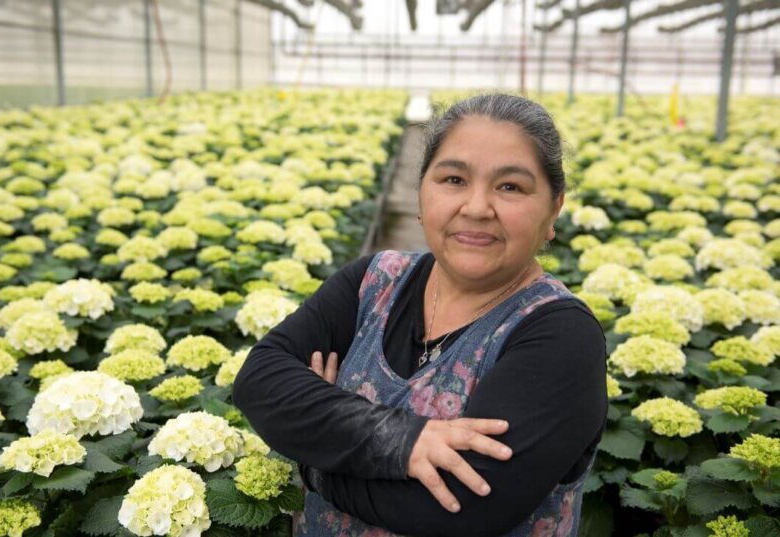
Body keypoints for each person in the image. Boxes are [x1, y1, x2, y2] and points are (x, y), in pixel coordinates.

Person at [233, 93, 607, 537]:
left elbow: (460, 507)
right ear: (422, 192)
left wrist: (315, 456)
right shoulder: (373, 280)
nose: (476, 207)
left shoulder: (560, 335)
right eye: (453, 179)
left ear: (553, 209)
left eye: (510, 187)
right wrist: (399, 439)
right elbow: (259, 381)